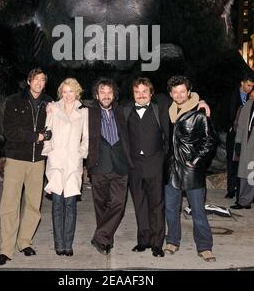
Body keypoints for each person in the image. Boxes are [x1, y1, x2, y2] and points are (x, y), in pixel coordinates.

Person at [0, 68, 52, 266]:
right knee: (9, 205)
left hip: (38, 162)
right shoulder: (14, 101)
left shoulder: (49, 103)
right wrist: (36, 136)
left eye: (42, 80)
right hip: (16, 159)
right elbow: (10, 131)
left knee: (34, 205)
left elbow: (54, 128)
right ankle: (6, 249)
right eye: (35, 79)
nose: (39, 83)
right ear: (28, 81)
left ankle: (24, 242)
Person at [164, 75, 216, 262]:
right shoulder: (168, 111)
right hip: (171, 169)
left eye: (182, 91)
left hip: (191, 169)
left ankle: (204, 246)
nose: (179, 94)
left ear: (188, 92)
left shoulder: (199, 112)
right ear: (170, 93)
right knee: (171, 209)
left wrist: (195, 160)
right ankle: (172, 240)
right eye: (175, 91)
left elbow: (210, 141)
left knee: (198, 210)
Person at [123, 77, 171, 258]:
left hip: (155, 163)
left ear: (151, 92)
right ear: (133, 94)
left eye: (144, 91)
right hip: (134, 165)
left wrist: (202, 102)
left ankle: (157, 244)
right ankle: (143, 240)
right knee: (140, 204)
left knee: (157, 205)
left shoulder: (161, 108)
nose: (141, 95)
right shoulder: (125, 109)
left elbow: (184, 99)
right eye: (137, 92)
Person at [42, 78, 88, 256]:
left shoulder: (83, 112)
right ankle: (58, 244)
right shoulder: (53, 109)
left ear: (77, 93)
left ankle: (68, 244)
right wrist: (49, 152)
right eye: (65, 91)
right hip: (56, 162)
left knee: (71, 205)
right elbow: (47, 132)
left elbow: (86, 137)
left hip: (73, 163)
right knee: (56, 205)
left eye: (72, 91)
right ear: (61, 92)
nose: (68, 95)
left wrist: (81, 153)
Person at [87, 78, 132, 255]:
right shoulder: (88, 113)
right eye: (102, 92)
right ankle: (105, 240)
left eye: (109, 92)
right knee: (101, 206)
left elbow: (154, 102)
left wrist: (200, 101)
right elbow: (65, 106)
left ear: (114, 95)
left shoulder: (124, 111)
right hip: (98, 166)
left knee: (118, 205)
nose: (106, 95)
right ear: (96, 95)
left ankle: (99, 236)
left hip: (121, 166)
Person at [218, 74, 254, 199]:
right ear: (242, 83)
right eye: (248, 85)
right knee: (231, 162)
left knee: (246, 163)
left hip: (248, 136)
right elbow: (222, 113)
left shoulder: (252, 98)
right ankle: (231, 189)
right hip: (233, 134)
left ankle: (242, 191)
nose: (250, 88)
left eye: (252, 86)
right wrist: (228, 128)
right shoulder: (230, 96)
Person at [230, 97, 254, 210]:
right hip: (249, 145)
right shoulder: (249, 105)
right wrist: (238, 142)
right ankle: (245, 200)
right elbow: (241, 125)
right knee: (248, 172)